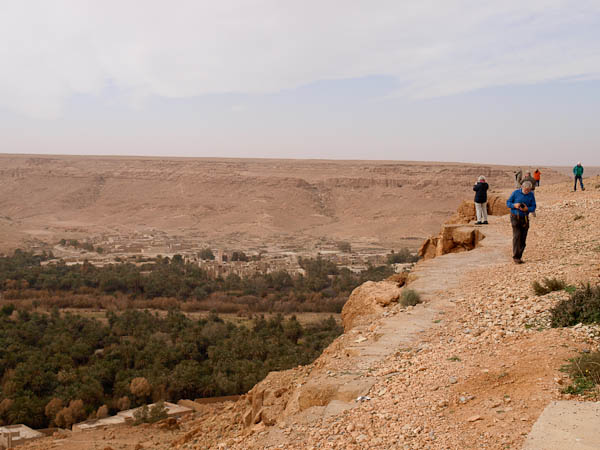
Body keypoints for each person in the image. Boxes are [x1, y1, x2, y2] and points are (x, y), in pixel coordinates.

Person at [506, 181, 536, 264]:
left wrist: (527, 209)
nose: (527, 192)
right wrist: (514, 205)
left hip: (525, 218)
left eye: (528, 190)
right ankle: (516, 257)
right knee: (517, 236)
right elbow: (508, 203)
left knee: (523, 238)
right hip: (515, 217)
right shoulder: (515, 193)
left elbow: (533, 207)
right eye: (526, 190)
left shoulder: (531, 195)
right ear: (522, 187)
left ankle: (519, 256)